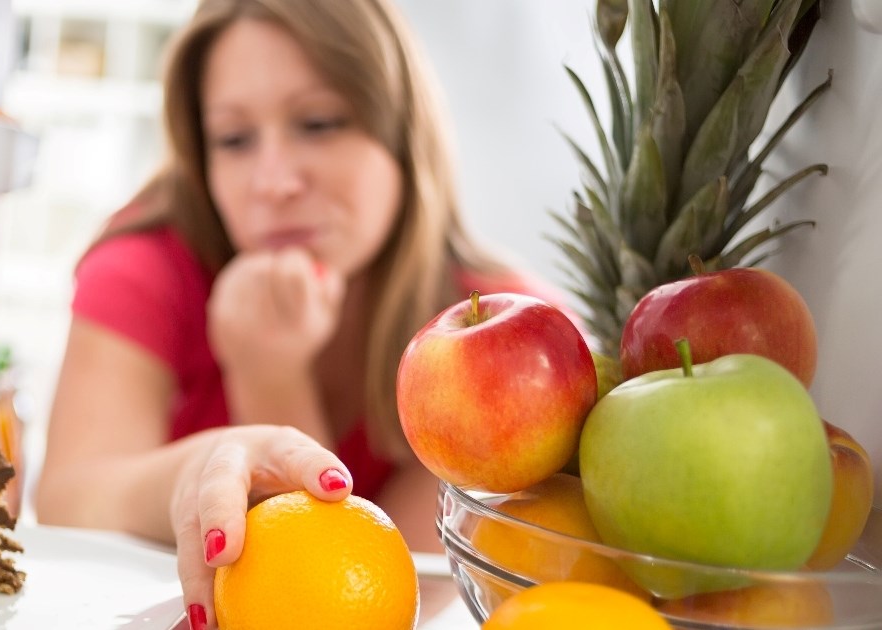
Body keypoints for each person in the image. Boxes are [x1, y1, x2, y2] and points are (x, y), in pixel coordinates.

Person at [35, 0, 564, 627]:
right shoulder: (145, 267)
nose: (275, 181)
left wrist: (269, 374)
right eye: (233, 139)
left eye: (318, 123)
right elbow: (69, 498)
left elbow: (373, 599)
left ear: (400, 131)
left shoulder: (508, 346)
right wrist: (189, 477)